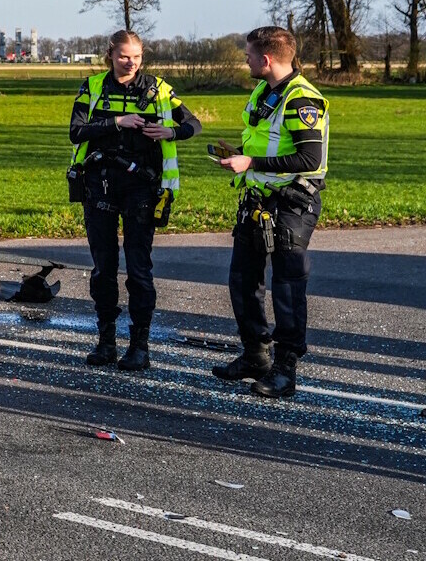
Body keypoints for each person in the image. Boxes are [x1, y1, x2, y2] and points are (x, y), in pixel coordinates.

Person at [67, 31, 200, 371]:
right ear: (110, 55)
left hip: (142, 186)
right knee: (104, 267)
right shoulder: (93, 86)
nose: (131, 63)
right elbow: (76, 131)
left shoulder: (158, 89)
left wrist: (171, 132)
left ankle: (140, 347)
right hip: (100, 183)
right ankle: (106, 342)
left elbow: (193, 124)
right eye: (124, 56)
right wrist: (117, 122)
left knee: (139, 268)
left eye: (137, 56)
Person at [211, 25, 329, 400]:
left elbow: (311, 158)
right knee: (242, 280)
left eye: (248, 55)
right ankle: (255, 356)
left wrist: (251, 162)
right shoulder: (265, 91)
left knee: (287, 287)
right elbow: (266, 139)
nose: (245, 60)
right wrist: (240, 155)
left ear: (265, 59)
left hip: (291, 203)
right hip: (257, 200)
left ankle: (285, 370)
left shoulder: (301, 99)